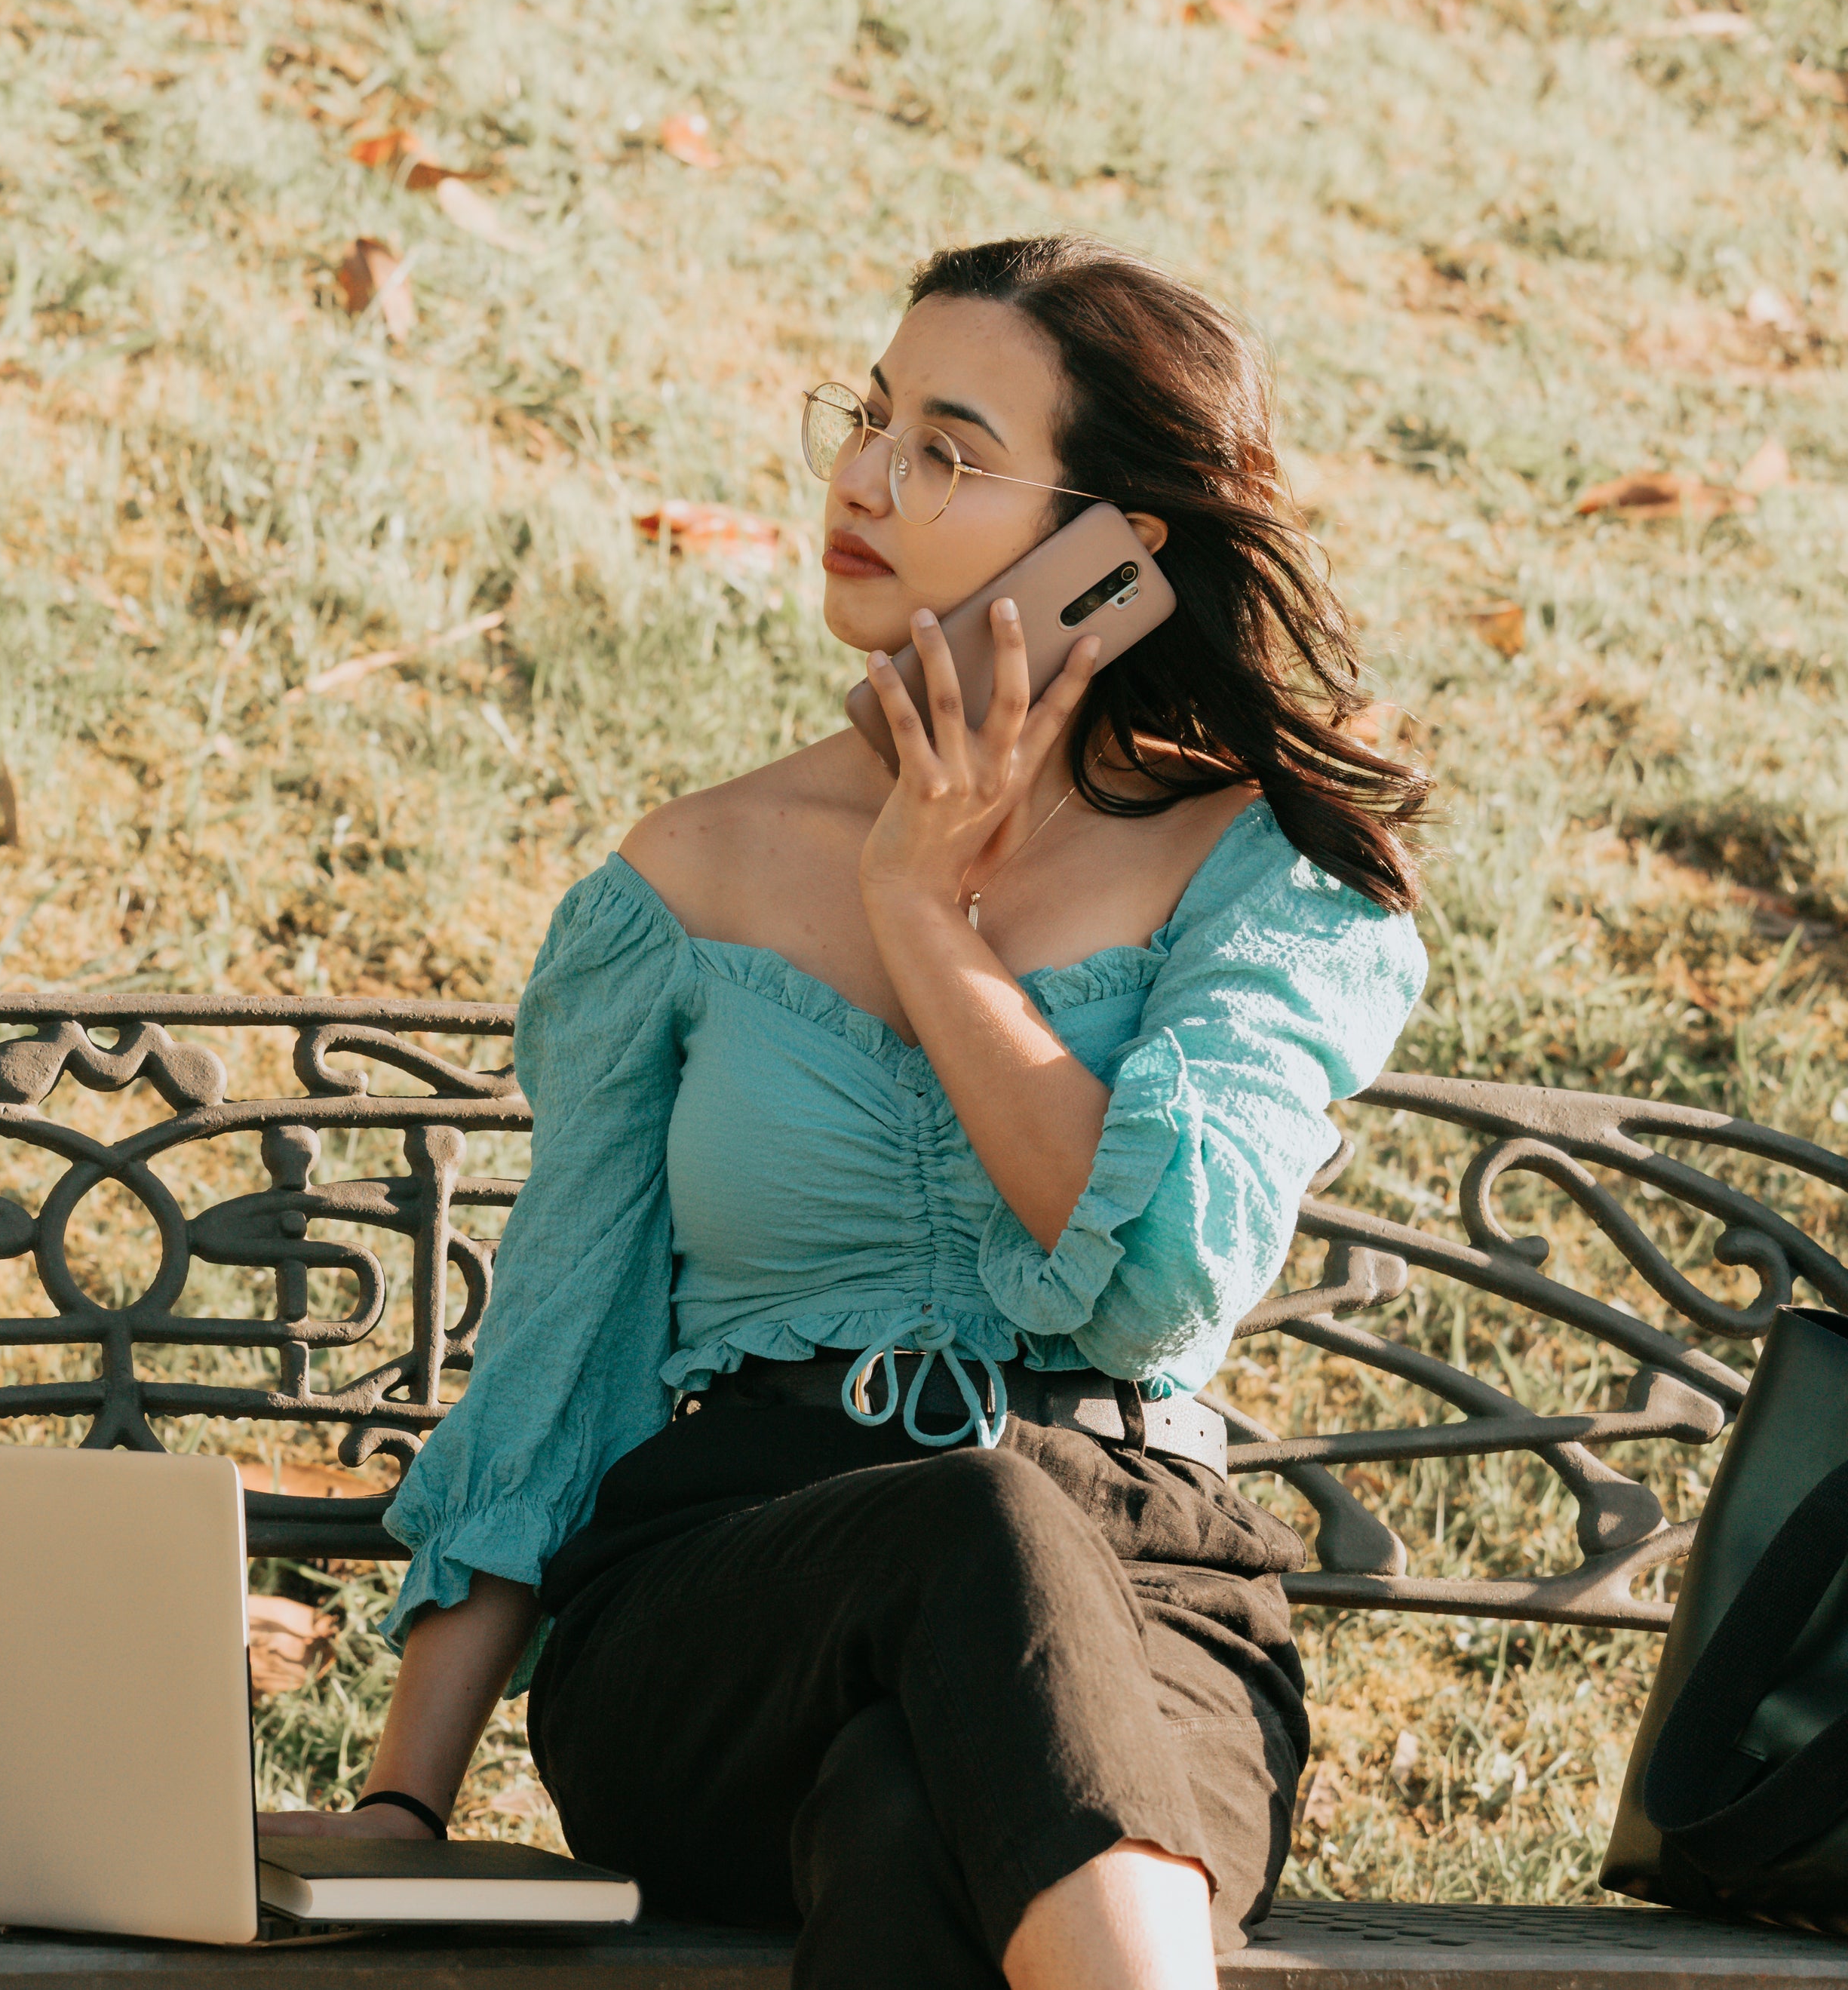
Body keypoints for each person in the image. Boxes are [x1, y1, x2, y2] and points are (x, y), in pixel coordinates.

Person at [257, 235, 1433, 1990]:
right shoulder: (691, 875)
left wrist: (917, 916)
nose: (862, 478)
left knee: (910, 1811)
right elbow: (560, 1347)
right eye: (868, 417)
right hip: (722, 1603)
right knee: (970, 1513)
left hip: (1145, 1598)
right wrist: (402, 1809)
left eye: (948, 450)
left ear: (1116, 547)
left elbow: (1157, 1287)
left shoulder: (1260, 879)